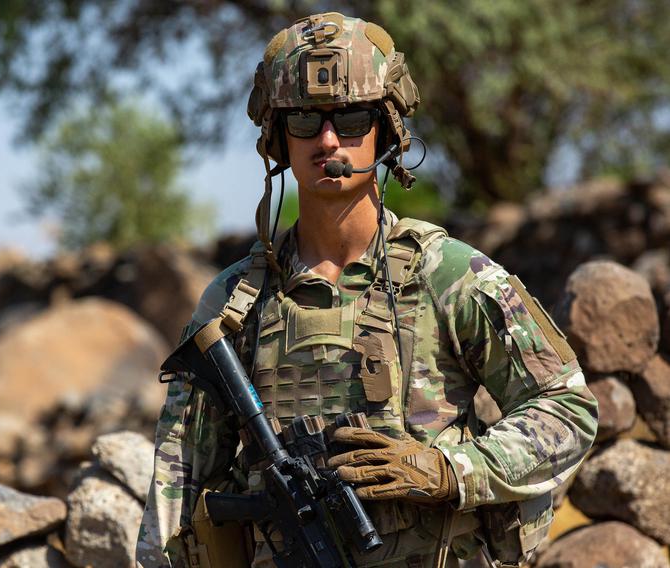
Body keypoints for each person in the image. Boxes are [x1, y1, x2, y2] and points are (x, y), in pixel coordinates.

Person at [137, 11, 598, 568]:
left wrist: (452, 472)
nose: (328, 139)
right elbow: (178, 484)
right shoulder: (235, 304)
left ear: (386, 128)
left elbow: (568, 407)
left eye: (351, 118)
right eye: (304, 121)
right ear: (278, 138)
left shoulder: (449, 276)